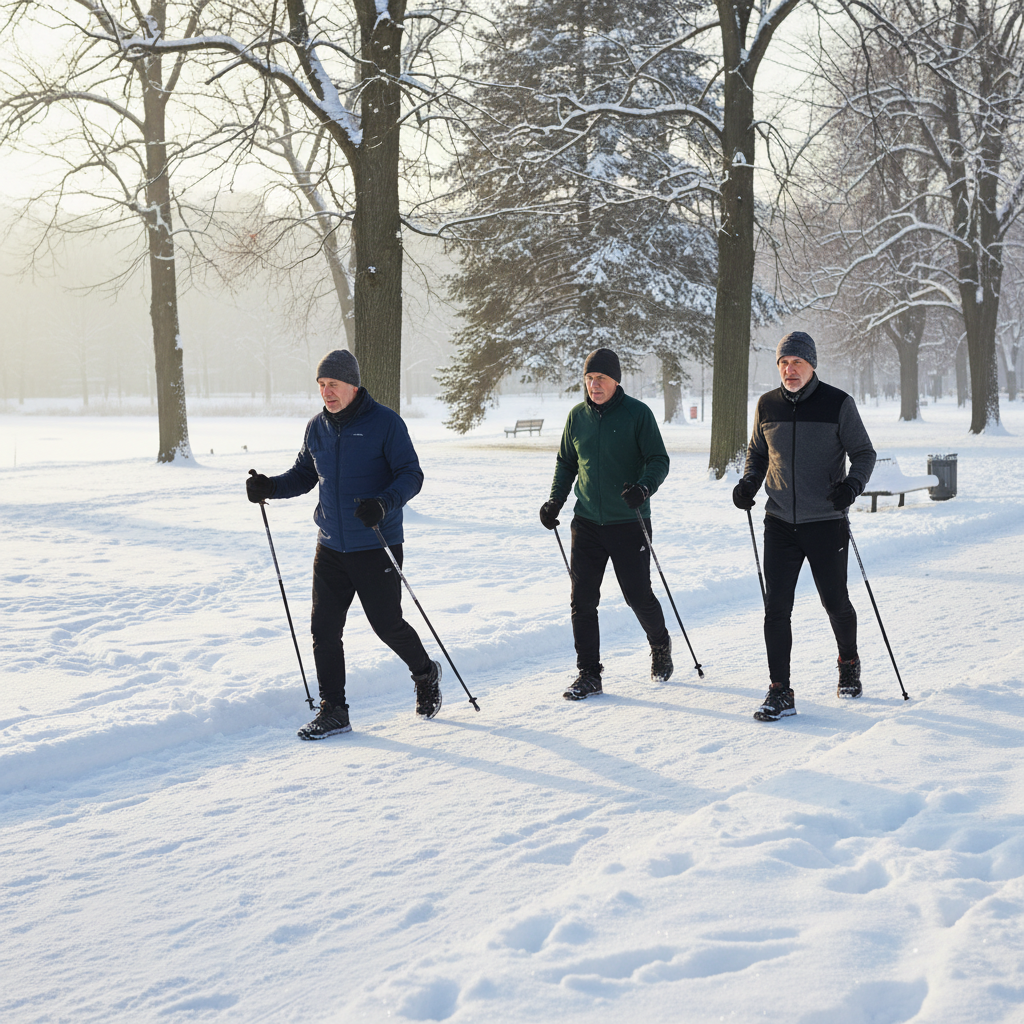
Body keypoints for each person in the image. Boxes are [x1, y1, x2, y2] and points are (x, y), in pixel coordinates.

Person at [246, 349, 441, 739]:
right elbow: (304, 475)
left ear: (353, 384)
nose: (326, 393)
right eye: (321, 386)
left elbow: (411, 474)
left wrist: (384, 502)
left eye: (332, 384)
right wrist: (269, 487)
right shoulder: (317, 427)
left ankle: (425, 672)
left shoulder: (385, 423)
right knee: (324, 628)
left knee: (386, 625)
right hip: (331, 546)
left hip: (375, 544)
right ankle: (334, 709)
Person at [733, 330, 876, 721]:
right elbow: (757, 453)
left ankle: (848, 661)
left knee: (835, 602)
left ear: (812, 365)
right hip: (779, 521)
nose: (789, 370)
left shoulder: (837, 404)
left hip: (826, 521)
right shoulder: (767, 405)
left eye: (797, 362)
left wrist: (852, 486)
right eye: (783, 363)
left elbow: (864, 452)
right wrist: (748, 483)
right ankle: (780, 690)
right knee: (775, 609)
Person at [539, 348, 673, 700]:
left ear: (616, 380)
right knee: (581, 601)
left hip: (628, 521)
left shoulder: (637, 414)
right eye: (588, 379)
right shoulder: (577, 417)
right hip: (586, 523)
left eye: (600, 378)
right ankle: (589, 674)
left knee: (637, 595)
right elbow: (566, 463)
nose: (594, 385)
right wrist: (555, 500)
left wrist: (644, 488)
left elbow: (659, 459)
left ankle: (660, 643)